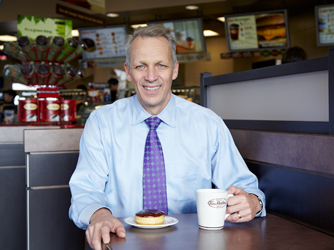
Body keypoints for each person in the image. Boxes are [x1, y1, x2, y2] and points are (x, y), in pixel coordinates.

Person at [69, 24, 266, 250]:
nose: (151, 76)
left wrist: (253, 201)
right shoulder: (102, 123)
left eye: (160, 65)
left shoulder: (207, 123)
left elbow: (243, 186)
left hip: (192, 243)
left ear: (174, 70)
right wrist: (99, 214)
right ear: (128, 70)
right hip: (122, 241)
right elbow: (86, 188)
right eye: (141, 66)